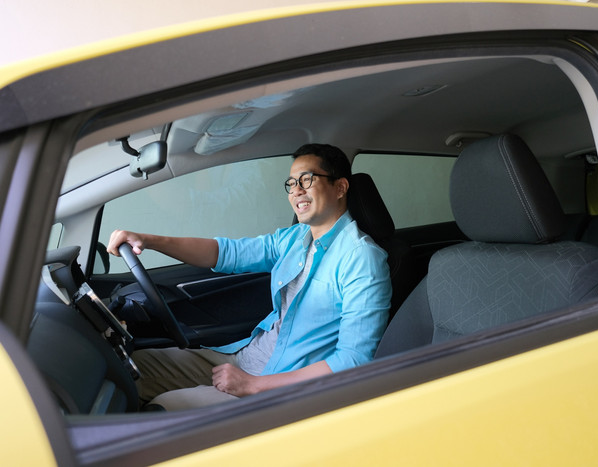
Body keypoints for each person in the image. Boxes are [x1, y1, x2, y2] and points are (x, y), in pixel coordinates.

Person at [107, 143, 391, 410]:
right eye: (291, 183)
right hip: (243, 358)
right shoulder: (296, 238)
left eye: (307, 180)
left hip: (278, 387)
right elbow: (226, 252)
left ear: (340, 187)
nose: (296, 191)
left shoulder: (362, 258)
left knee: (166, 407)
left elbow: (354, 360)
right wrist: (148, 240)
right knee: (132, 366)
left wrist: (254, 386)